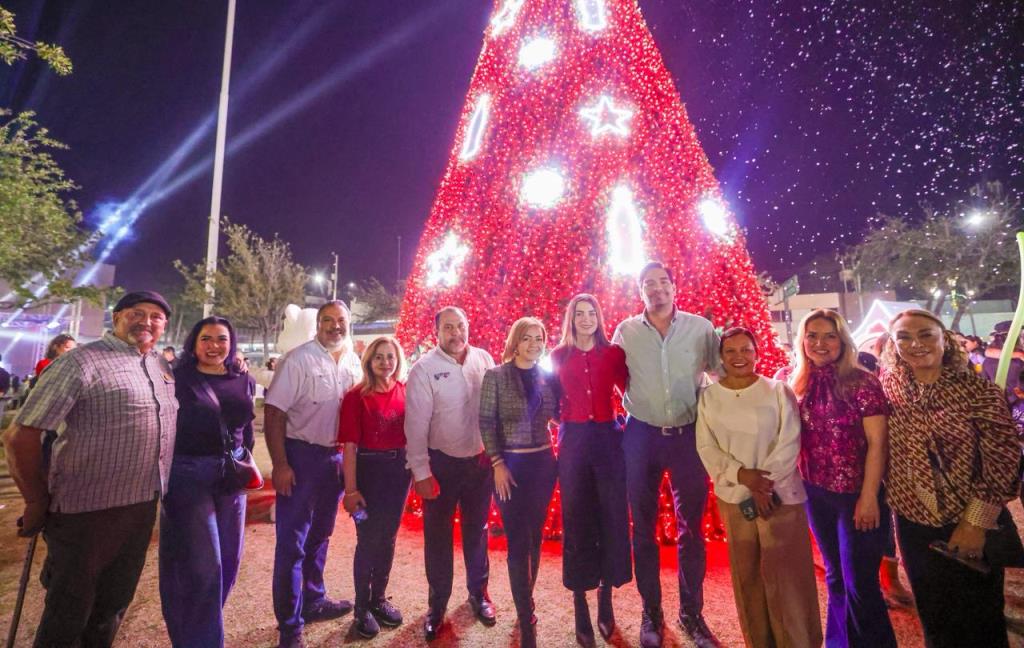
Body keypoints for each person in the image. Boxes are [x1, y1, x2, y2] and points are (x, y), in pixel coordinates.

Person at [2, 291, 177, 647]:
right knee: (68, 612)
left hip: (140, 508)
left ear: (164, 325)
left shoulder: (160, 365)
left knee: (111, 606)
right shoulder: (81, 362)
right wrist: (35, 500)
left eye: (156, 316)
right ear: (117, 317)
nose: (146, 322)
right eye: (137, 313)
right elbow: (21, 436)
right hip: (84, 514)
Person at [881, 309, 1021, 647]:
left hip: (969, 518)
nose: (915, 344)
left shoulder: (976, 390)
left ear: (944, 339)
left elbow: (1003, 457)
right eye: (904, 337)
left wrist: (975, 523)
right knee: (935, 618)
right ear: (893, 345)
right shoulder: (889, 387)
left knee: (980, 620)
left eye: (925, 334)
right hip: (913, 519)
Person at [611, 261, 722, 648]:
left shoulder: (700, 329)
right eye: (648, 284)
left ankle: (691, 613)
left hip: (688, 436)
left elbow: (721, 374)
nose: (656, 289)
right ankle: (652, 611)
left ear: (674, 287)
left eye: (662, 282)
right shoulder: (625, 332)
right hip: (641, 436)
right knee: (642, 529)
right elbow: (615, 378)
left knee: (692, 529)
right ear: (640, 291)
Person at [696, 328, 822, 648]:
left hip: (781, 496)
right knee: (747, 575)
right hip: (735, 496)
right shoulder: (709, 397)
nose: (739, 357)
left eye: (746, 350)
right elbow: (706, 446)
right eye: (731, 351)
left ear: (757, 353)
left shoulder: (777, 390)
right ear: (721, 356)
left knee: (788, 576)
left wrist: (763, 484)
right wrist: (742, 476)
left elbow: (790, 439)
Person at [789, 308, 896, 647]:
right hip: (815, 493)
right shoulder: (798, 383)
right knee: (835, 577)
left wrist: (869, 496)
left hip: (857, 495)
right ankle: (838, 643)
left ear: (842, 341)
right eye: (812, 336)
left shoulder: (862, 382)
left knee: (860, 584)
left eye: (829, 336)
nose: (820, 343)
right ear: (802, 340)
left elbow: (878, 444)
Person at [264, 300, 362, 648]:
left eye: (341, 320)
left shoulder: (352, 361)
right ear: (317, 324)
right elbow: (274, 414)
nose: (335, 326)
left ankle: (314, 599)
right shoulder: (299, 360)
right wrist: (280, 464)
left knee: (321, 535)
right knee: (292, 544)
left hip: (336, 459)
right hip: (302, 456)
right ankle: (290, 627)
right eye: (328, 320)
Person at [159, 316, 256, 647]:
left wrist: (245, 462)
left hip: (231, 476)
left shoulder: (242, 377)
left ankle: (193, 633)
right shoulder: (177, 378)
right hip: (189, 474)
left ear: (232, 343)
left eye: (222, 339)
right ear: (194, 343)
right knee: (204, 565)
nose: (215, 346)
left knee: (229, 561)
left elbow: (247, 427)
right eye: (206, 339)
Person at [404, 306, 497, 640]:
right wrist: (421, 472)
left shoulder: (484, 359)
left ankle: (478, 594)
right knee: (438, 537)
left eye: (460, 326)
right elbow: (415, 425)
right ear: (437, 332)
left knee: (478, 532)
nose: (456, 333)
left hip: (480, 463)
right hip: (441, 464)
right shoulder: (424, 369)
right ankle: (437, 604)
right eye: (448, 327)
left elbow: (495, 408)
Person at [550, 294, 631, 645]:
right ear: (571, 319)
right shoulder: (557, 356)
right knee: (577, 518)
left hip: (608, 440)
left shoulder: (613, 354)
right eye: (579, 314)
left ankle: (605, 597)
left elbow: (629, 394)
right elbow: (550, 400)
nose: (586, 319)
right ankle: (580, 601)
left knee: (611, 516)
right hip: (573, 442)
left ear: (599, 317)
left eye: (591, 313)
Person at [479, 317, 559, 648]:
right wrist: (497, 463)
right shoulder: (496, 376)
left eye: (539, 338)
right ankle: (526, 616)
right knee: (517, 540)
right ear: (515, 342)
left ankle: (527, 604)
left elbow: (559, 415)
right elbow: (486, 422)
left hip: (543, 464)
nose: (534, 344)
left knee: (535, 535)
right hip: (509, 466)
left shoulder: (548, 376)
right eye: (527, 338)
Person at [339, 337, 410, 639]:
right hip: (369, 472)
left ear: (398, 360)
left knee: (388, 537)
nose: (385, 362)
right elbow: (349, 447)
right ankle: (361, 608)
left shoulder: (406, 391)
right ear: (369, 360)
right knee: (368, 540)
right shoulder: (356, 396)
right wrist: (351, 490)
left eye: (390, 356)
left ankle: (378, 598)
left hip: (399, 473)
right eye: (378, 357)